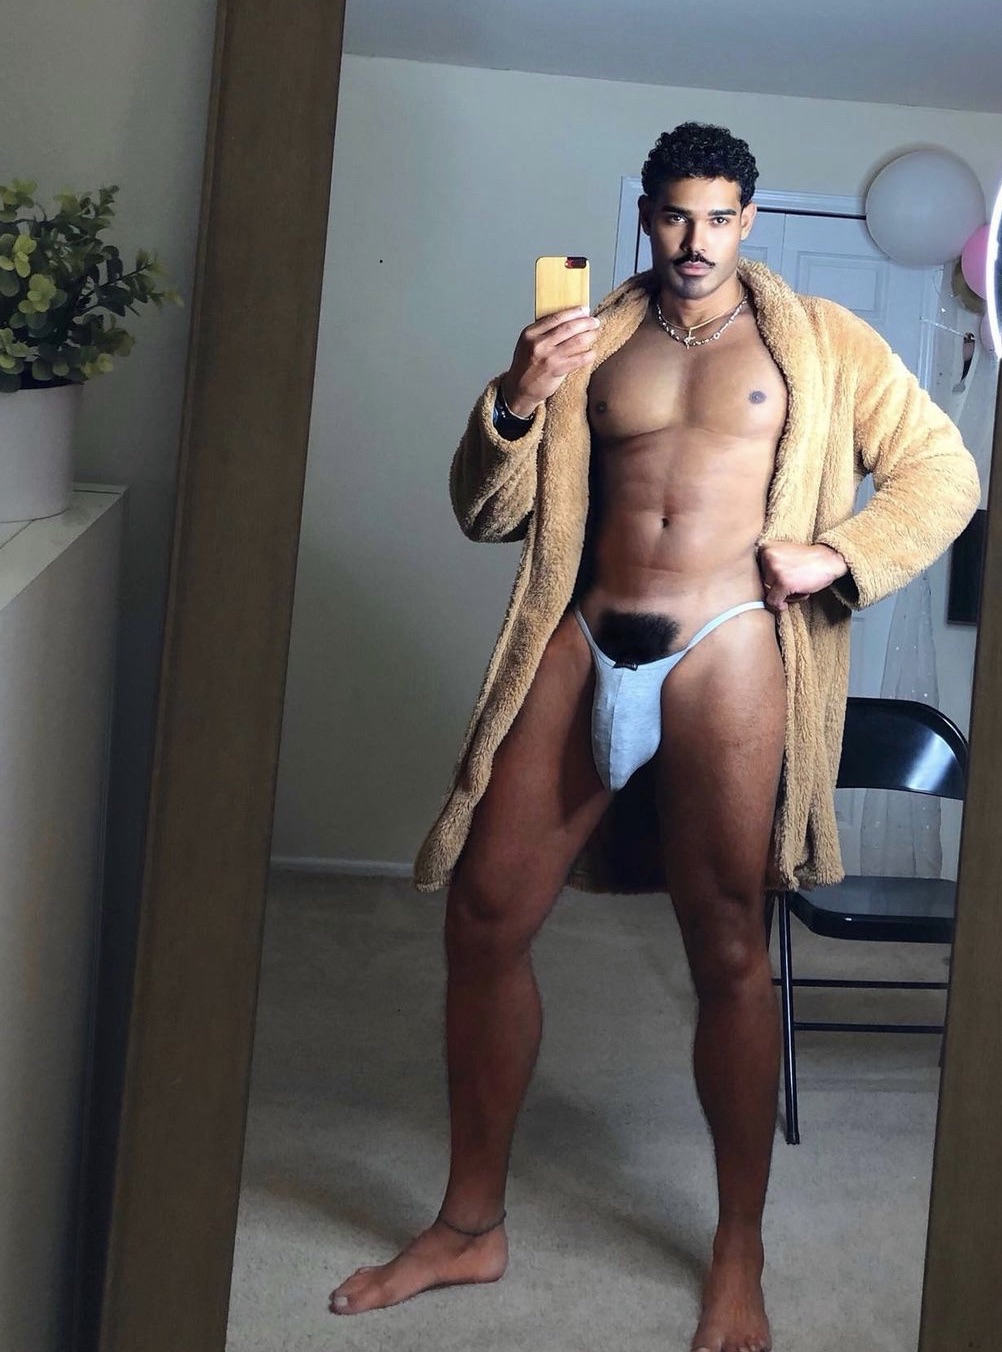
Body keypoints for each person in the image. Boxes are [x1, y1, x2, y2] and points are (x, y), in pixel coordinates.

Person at [329, 122, 979, 1352]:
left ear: (748, 221)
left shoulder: (820, 341)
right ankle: (468, 1223)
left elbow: (943, 473)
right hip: (584, 631)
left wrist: (840, 553)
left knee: (727, 941)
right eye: (677, 214)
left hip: (727, 640)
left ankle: (738, 1246)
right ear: (646, 215)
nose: (696, 239)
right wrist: (516, 398)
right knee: (483, 913)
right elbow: (485, 510)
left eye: (720, 216)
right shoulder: (588, 342)